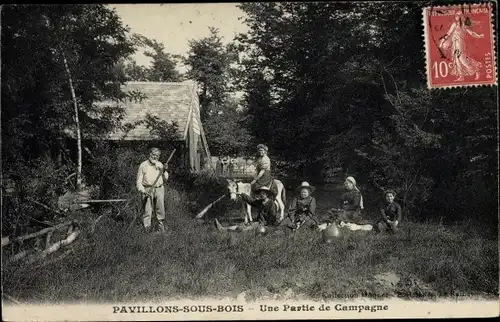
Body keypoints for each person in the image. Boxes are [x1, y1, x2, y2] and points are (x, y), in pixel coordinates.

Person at [439, 11, 485, 81]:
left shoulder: (464, 25)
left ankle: (476, 70)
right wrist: (442, 41)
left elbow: (472, 33)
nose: (456, 17)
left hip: (460, 44)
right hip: (454, 44)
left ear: (461, 17)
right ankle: (461, 76)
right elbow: (448, 33)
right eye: (456, 16)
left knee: (462, 59)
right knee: (456, 60)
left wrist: (479, 36)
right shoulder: (454, 24)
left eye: (457, 16)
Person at [215, 186, 280, 232]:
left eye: (263, 193)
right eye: (260, 193)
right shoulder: (260, 202)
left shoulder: (271, 204)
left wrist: (266, 225)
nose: (261, 195)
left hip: (265, 225)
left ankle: (237, 231)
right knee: (242, 225)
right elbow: (251, 201)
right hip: (257, 222)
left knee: (244, 229)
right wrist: (242, 194)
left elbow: (272, 217)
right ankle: (223, 229)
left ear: (267, 194)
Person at [136, 147, 169, 233]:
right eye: (153, 155)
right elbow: (139, 181)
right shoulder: (143, 165)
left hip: (159, 189)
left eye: (157, 156)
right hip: (147, 189)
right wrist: (143, 191)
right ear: (150, 154)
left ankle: (160, 230)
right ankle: (147, 230)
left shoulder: (160, 165)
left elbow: (165, 179)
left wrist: (165, 170)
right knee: (147, 210)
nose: (155, 157)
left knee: (160, 209)